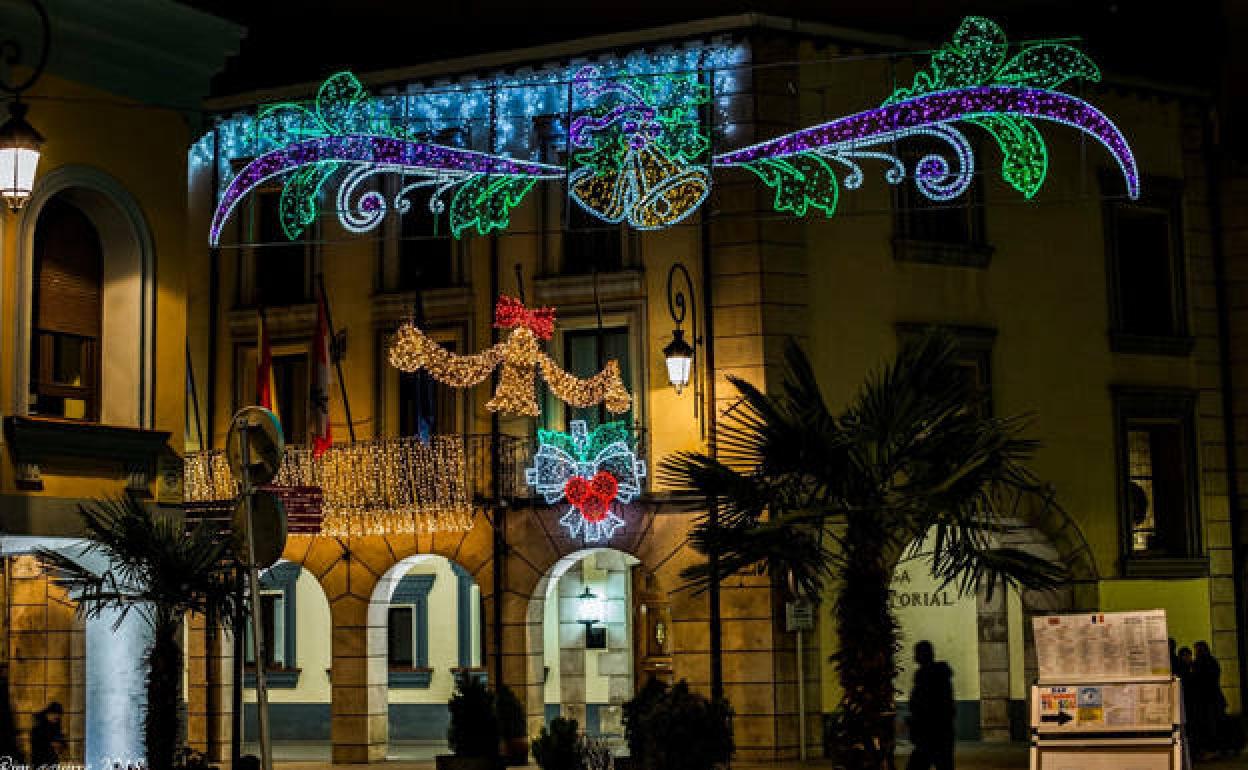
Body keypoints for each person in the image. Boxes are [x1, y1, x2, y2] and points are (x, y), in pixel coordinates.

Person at [907, 640, 955, 770]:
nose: (914, 656)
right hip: (942, 733)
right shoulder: (941, 675)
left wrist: (916, 720)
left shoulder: (924, 676)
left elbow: (922, 704)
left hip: (929, 734)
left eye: (916, 653)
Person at [1189, 640, 1226, 759]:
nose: (1196, 652)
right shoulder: (1211, 661)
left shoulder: (1201, 663)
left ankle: (1213, 749)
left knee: (1210, 725)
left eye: (1197, 650)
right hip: (1213, 698)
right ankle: (1216, 749)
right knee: (1213, 725)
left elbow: (1200, 680)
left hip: (1208, 700)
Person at [29, 702, 66, 769]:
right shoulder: (38, 726)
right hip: (41, 761)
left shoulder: (55, 725)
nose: (57, 717)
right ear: (48, 714)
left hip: (50, 761)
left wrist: (60, 745)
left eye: (58, 716)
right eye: (55, 715)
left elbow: (61, 741)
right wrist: (51, 744)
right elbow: (36, 744)